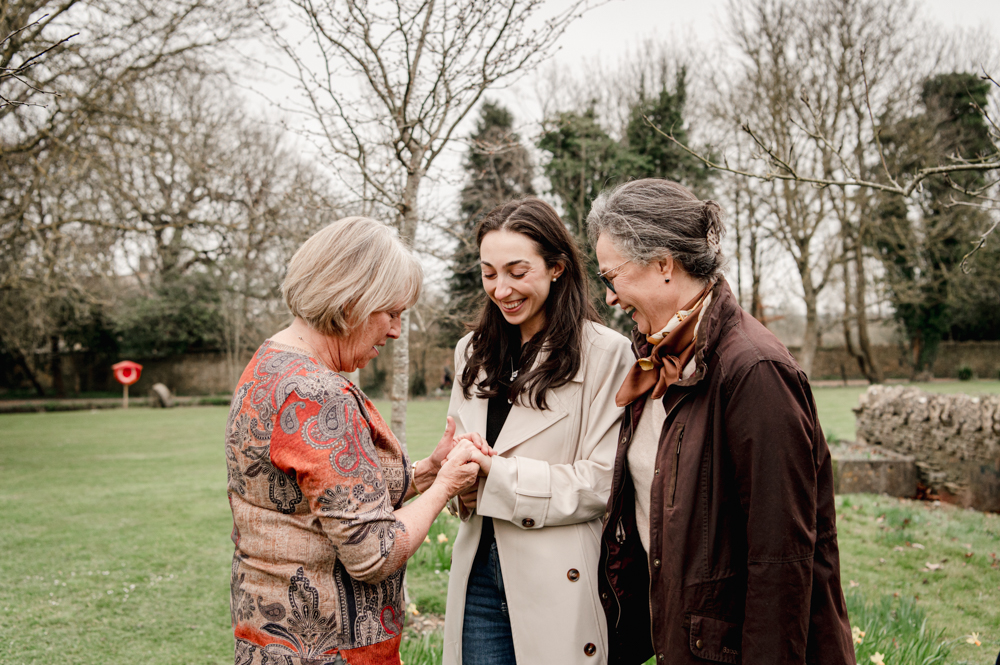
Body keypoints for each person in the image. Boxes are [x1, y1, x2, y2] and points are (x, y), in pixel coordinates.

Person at [587, 179, 855, 665]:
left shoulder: (755, 370)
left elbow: (780, 562)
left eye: (612, 278)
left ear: (664, 265)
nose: (609, 298)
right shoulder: (660, 358)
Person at [225, 217, 479, 665]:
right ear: (351, 304)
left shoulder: (270, 364)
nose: (398, 331)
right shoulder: (319, 396)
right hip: (331, 651)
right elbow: (373, 554)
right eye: (393, 313)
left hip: (267, 643)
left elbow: (329, 500)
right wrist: (447, 488)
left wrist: (427, 471)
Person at [438, 198, 634, 665]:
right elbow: (461, 457)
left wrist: (496, 477)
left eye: (516, 271)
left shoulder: (606, 354)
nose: (501, 289)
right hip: (478, 577)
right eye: (488, 273)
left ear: (557, 268)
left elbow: (606, 481)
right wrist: (457, 484)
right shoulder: (471, 351)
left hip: (558, 579)